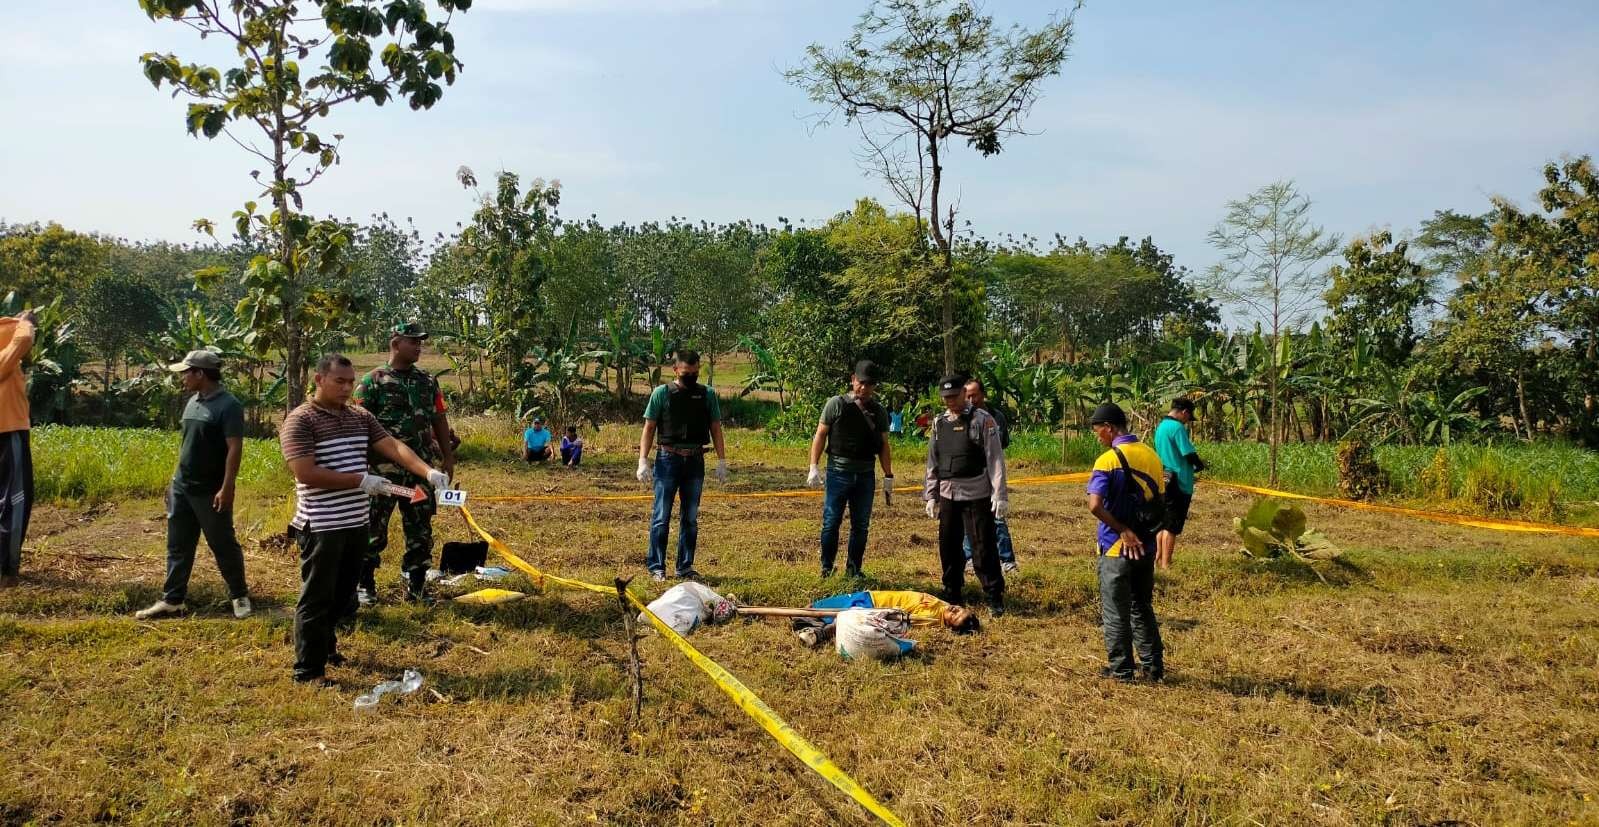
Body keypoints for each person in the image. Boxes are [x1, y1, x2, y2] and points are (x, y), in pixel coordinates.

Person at [281, 353, 450, 684]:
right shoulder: (301, 421)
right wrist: (359, 481)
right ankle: (308, 670)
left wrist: (427, 472)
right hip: (322, 524)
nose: (346, 388)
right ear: (319, 380)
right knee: (317, 596)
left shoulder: (359, 417)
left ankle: (327, 648)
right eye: (338, 382)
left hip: (356, 522)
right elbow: (306, 472)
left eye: (349, 382)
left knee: (344, 596)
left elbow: (392, 445)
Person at [134, 351, 252, 620]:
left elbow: (235, 448)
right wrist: (173, 482)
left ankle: (239, 594)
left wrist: (228, 486)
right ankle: (173, 600)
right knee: (178, 544)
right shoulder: (192, 402)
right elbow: (186, 445)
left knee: (222, 543)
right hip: (182, 487)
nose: (183, 377)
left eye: (186, 372)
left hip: (209, 490)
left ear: (201, 373)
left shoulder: (228, 405)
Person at [353, 322, 456, 606]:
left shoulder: (427, 381)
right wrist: (360, 467)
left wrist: (447, 457)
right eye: (413, 342)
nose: (419, 347)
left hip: (420, 471)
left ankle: (417, 584)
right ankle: (365, 584)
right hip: (383, 472)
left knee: (420, 527)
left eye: (420, 342)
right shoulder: (372, 381)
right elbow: (359, 425)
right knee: (374, 527)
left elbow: (439, 418)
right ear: (396, 343)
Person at [1085, 402, 1166, 682]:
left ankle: (1121, 671)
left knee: (1115, 611)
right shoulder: (1151, 455)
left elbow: (1094, 505)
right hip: (1146, 546)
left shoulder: (1107, 461)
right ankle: (1153, 666)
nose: (1098, 437)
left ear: (1109, 428)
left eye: (1098, 431)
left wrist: (1121, 530)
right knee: (1141, 605)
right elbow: (1159, 502)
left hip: (1116, 547)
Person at [637, 350, 728, 582]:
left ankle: (685, 567)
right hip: (668, 459)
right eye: (687, 373)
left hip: (695, 460)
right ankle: (656, 566)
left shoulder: (707, 395)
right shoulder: (661, 394)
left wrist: (721, 460)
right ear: (675, 370)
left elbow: (715, 427)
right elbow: (649, 427)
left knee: (690, 517)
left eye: (695, 373)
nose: (692, 377)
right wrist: (643, 460)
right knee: (661, 516)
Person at [922, 374, 1009, 615]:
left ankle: (993, 594)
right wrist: (931, 495)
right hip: (948, 493)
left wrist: (999, 494)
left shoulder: (982, 420)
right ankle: (952, 592)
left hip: (977, 492)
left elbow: (995, 458)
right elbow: (933, 461)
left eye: (954, 396)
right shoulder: (939, 423)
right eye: (946, 398)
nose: (950, 401)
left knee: (983, 546)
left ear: (964, 393)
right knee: (948, 546)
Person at [806, 359, 893, 578]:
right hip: (838, 473)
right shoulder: (836, 404)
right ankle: (827, 567)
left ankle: (854, 569)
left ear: (874, 386)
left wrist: (888, 474)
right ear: (853, 379)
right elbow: (821, 435)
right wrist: (813, 466)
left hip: (865, 475)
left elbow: (884, 445)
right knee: (831, 521)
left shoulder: (879, 411)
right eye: (860, 382)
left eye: (869, 384)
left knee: (861, 525)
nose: (864, 388)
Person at [962, 378, 1020, 574]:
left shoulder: (996, 417)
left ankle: (1006, 560)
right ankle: (970, 559)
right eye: (967, 396)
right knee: (968, 518)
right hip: (970, 476)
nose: (970, 399)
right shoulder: (962, 417)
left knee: (997, 517)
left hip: (991, 473)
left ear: (983, 395)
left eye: (974, 395)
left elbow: (1000, 445)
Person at [792, 589, 979, 648]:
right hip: (872, 596)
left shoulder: (930, 617)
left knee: (837, 615)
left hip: (872, 605)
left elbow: (901, 619)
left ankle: (818, 634)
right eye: (960, 610)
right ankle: (808, 625)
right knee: (812, 608)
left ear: (950, 625)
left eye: (955, 616)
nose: (955, 610)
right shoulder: (943, 605)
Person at [0, 310, 37, 589]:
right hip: (8, 430)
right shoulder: (5, 359)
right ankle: (7, 570)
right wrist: (24, 322)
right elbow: (22, 341)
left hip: (8, 428)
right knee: (16, 501)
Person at [1153, 397, 1205, 570]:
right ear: (1184, 413)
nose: (1187, 422)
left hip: (1164, 477)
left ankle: (1158, 559)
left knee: (1163, 522)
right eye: (1188, 417)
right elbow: (1188, 453)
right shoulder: (1177, 428)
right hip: (1179, 481)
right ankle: (1166, 564)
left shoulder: (1160, 427)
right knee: (1172, 525)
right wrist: (1200, 465)